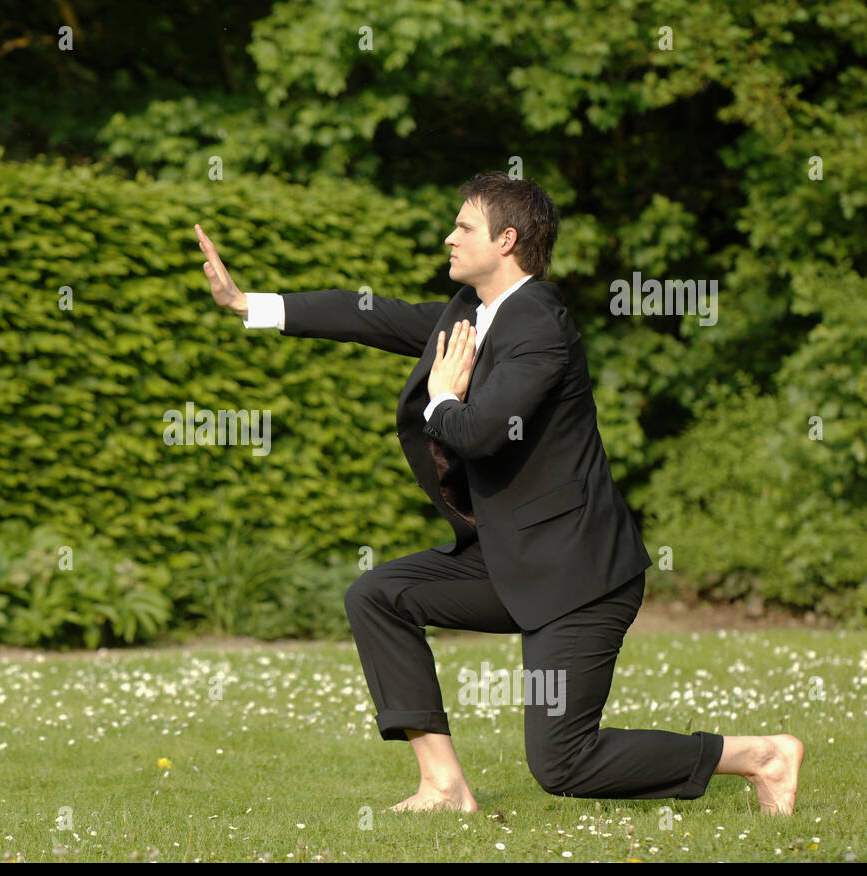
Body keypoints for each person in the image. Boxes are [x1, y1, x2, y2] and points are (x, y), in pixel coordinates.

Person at [193, 171, 803, 815]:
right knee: (379, 594)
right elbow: (373, 314)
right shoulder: (472, 315)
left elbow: (481, 433)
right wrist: (247, 305)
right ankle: (444, 786)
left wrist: (443, 397)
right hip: (512, 560)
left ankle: (760, 756)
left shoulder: (539, 324)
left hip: (577, 577)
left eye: (464, 227)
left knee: (564, 762)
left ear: (506, 239)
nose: (448, 237)